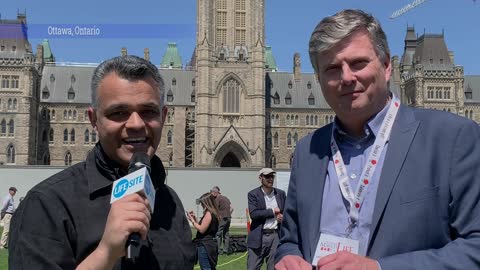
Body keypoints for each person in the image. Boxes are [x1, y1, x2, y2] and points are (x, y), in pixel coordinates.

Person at [275, 9, 480, 270]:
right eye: (332, 68)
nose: (347, 77)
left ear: (386, 66)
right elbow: (290, 239)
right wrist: (286, 257)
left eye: (358, 63)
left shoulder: (453, 138)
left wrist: (380, 268)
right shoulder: (307, 151)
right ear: (319, 79)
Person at [9, 55, 195, 269]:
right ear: (93, 119)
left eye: (148, 112)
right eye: (119, 113)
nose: (136, 124)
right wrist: (105, 253)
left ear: (163, 117)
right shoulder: (45, 205)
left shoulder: (170, 202)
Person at [247, 168, 286, 270]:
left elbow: (285, 212)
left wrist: (282, 217)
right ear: (260, 178)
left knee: (273, 267)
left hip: (275, 236)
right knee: (253, 267)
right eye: (267, 176)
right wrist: (273, 211)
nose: (270, 179)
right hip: (259, 236)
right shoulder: (253, 194)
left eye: (272, 176)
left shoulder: (280, 194)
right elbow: (254, 214)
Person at [187, 192, 221, 270]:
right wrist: (195, 219)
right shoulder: (215, 213)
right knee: (211, 267)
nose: (202, 205)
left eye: (202, 203)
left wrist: (192, 221)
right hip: (211, 244)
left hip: (205, 245)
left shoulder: (208, 213)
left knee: (206, 268)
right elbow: (206, 227)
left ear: (207, 202)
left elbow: (202, 230)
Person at [210, 186, 233, 254]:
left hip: (222, 218)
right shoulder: (226, 198)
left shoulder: (217, 199)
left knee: (218, 234)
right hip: (228, 217)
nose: (211, 194)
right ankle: (226, 250)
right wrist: (227, 214)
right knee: (226, 234)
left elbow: (215, 210)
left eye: (212, 193)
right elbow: (232, 208)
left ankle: (219, 250)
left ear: (215, 193)